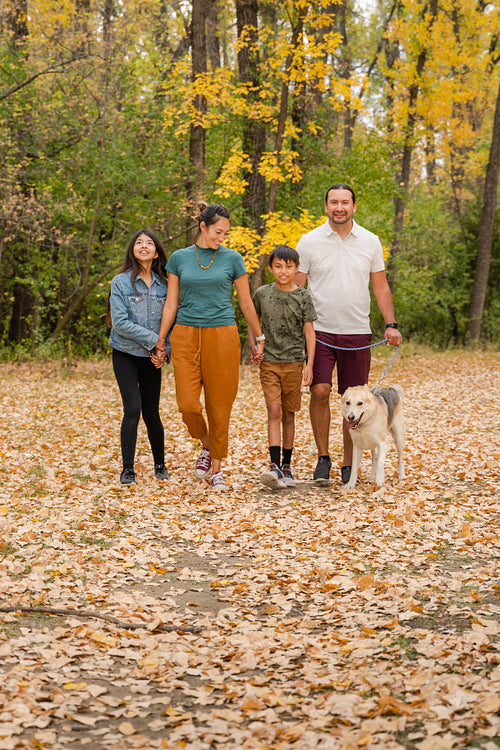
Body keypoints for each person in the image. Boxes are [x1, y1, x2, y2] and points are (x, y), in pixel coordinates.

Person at [295, 183, 402, 485]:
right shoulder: (309, 241)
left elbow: (380, 286)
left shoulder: (370, 241)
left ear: (354, 206)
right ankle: (323, 458)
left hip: (357, 333)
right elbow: (298, 288)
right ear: (326, 206)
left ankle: (347, 463)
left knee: (352, 398)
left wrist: (390, 323)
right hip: (320, 331)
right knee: (319, 391)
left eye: (345, 202)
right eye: (333, 202)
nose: (339, 207)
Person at [152, 202, 265, 491]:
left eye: (226, 233)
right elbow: (171, 303)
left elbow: (245, 302)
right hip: (185, 335)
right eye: (218, 232)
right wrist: (161, 340)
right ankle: (206, 443)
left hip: (222, 335)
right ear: (203, 227)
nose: (222, 238)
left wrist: (259, 336)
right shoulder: (179, 259)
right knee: (187, 404)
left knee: (219, 406)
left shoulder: (233, 259)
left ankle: (216, 468)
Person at [249, 245, 317, 489]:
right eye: (278, 266)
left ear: (297, 268)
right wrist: (255, 347)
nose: (283, 271)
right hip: (269, 362)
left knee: (289, 413)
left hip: (294, 362)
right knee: (274, 410)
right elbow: (253, 323)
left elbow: (310, 332)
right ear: (270, 268)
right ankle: (274, 466)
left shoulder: (302, 296)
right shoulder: (262, 294)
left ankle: (287, 466)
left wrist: (309, 364)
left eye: (288, 266)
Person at [108, 230, 170, 486]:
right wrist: (154, 341)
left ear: (156, 252)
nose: (144, 246)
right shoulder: (120, 282)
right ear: (132, 249)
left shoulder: (165, 284)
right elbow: (120, 323)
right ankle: (127, 470)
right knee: (132, 409)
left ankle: (160, 465)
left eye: (149, 243)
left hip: (152, 358)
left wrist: (164, 349)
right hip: (124, 354)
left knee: (152, 412)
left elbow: (171, 320)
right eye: (139, 242)